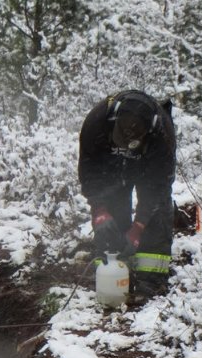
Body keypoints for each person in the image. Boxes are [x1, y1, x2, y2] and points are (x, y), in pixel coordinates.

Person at [78, 89, 176, 301]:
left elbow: (157, 187)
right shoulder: (97, 122)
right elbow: (89, 172)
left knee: (157, 213)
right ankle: (111, 270)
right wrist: (99, 209)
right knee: (111, 216)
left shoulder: (163, 135)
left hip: (148, 167)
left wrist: (139, 226)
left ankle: (151, 280)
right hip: (110, 167)